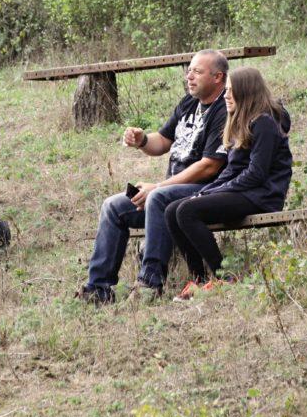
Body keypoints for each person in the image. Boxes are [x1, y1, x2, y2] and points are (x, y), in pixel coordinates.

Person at [75, 50, 231, 305]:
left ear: (218, 77)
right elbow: (163, 141)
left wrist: (158, 187)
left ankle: (149, 284)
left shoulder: (225, 109)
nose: (189, 77)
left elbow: (210, 166)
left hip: (205, 192)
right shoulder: (188, 103)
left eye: (197, 72)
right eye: (189, 71)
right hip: (170, 191)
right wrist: (142, 140)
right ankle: (98, 288)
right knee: (113, 206)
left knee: (158, 197)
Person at [164, 67, 292, 300]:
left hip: (262, 195)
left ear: (246, 92)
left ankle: (225, 277)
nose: (226, 95)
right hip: (245, 192)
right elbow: (232, 170)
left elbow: (256, 174)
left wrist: (217, 191)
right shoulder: (240, 122)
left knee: (186, 211)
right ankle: (198, 280)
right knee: (172, 210)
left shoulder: (265, 122)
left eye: (231, 90)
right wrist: (206, 192)